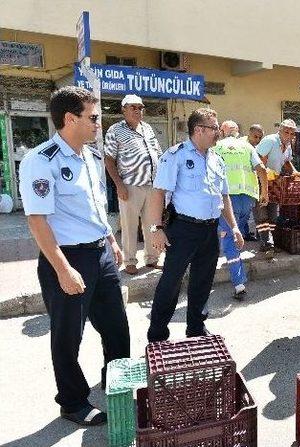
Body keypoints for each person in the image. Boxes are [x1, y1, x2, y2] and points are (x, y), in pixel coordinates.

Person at [18, 86, 130, 425]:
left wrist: (110, 238)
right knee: (68, 337)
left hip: (99, 253)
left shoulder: (91, 157)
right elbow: (37, 220)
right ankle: (73, 402)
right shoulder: (42, 160)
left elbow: (94, 208)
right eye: (93, 117)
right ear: (70, 119)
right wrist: (63, 269)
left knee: (117, 329)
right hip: (66, 258)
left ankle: (119, 387)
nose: (98, 123)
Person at [146, 108, 244, 342]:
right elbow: (158, 193)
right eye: (214, 128)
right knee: (171, 282)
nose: (218, 132)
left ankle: (196, 328)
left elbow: (225, 196)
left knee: (203, 281)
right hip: (182, 230)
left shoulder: (216, 159)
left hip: (210, 230)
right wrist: (156, 229)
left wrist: (235, 227)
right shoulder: (176, 155)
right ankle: (158, 334)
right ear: (199, 130)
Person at [104, 94, 163, 275]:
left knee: (152, 224)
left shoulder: (148, 128)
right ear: (124, 109)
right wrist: (119, 185)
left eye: (140, 108)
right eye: (133, 107)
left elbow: (158, 154)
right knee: (129, 225)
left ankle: (152, 259)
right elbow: (108, 159)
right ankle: (130, 261)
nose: (138, 111)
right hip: (130, 186)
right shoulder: (115, 130)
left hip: (152, 186)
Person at [215, 120, 269, 299]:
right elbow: (261, 168)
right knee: (235, 231)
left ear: (222, 132)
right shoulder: (246, 147)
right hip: (247, 199)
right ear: (237, 133)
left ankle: (239, 283)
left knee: (230, 237)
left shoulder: (217, 146)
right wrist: (265, 193)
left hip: (227, 198)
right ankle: (236, 266)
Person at [254, 119, 300, 254]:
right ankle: (268, 244)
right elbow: (257, 159)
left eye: (291, 133)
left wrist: (294, 171)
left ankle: (266, 241)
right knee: (262, 213)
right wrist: (265, 174)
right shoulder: (270, 140)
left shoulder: (287, 145)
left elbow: (286, 161)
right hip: (260, 180)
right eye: (286, 132)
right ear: (280, 131)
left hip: (274, 183)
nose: (289, 135)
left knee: (272, 215)